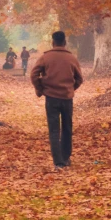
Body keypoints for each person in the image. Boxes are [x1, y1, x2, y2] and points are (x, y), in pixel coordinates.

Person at [30, 31, 84, 170]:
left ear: (53, 42)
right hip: (67, 98)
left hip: (51, 98)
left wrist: (40, 89)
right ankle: (66, 158)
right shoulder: (71, 58)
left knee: (54, 130)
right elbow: (79, 79)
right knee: (67, 128)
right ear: (64, 43)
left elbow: (34, 74)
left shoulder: (46, 57)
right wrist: (71, 88)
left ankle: (58, 162)